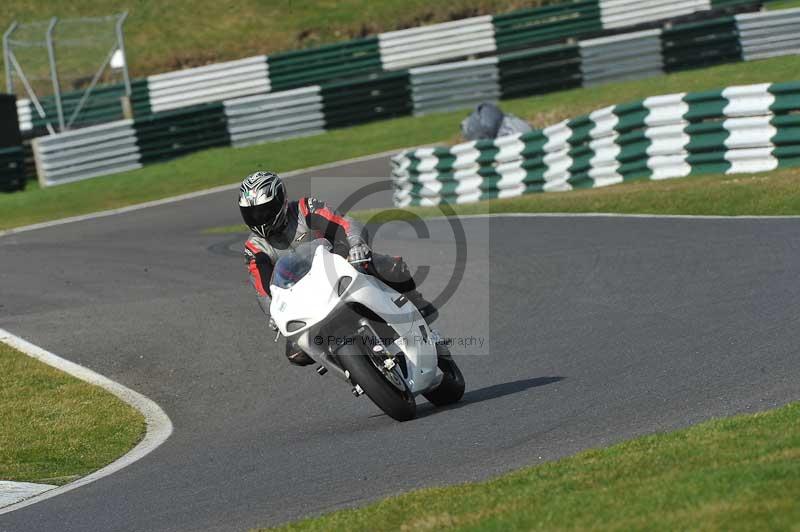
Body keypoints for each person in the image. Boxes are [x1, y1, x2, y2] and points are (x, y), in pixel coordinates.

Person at [239, 171, 437, 366]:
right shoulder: (255, 247)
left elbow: (344, 223)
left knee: (391, 267)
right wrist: (274, 312)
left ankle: (415, 303)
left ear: (280, 200)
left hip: (342, 266)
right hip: (304, 297)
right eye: (252, 214)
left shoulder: (304, 209)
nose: (259, 219)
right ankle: (349, 366)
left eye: (264, 211)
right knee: (297, 353)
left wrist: (357, 245)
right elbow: (263, 289)